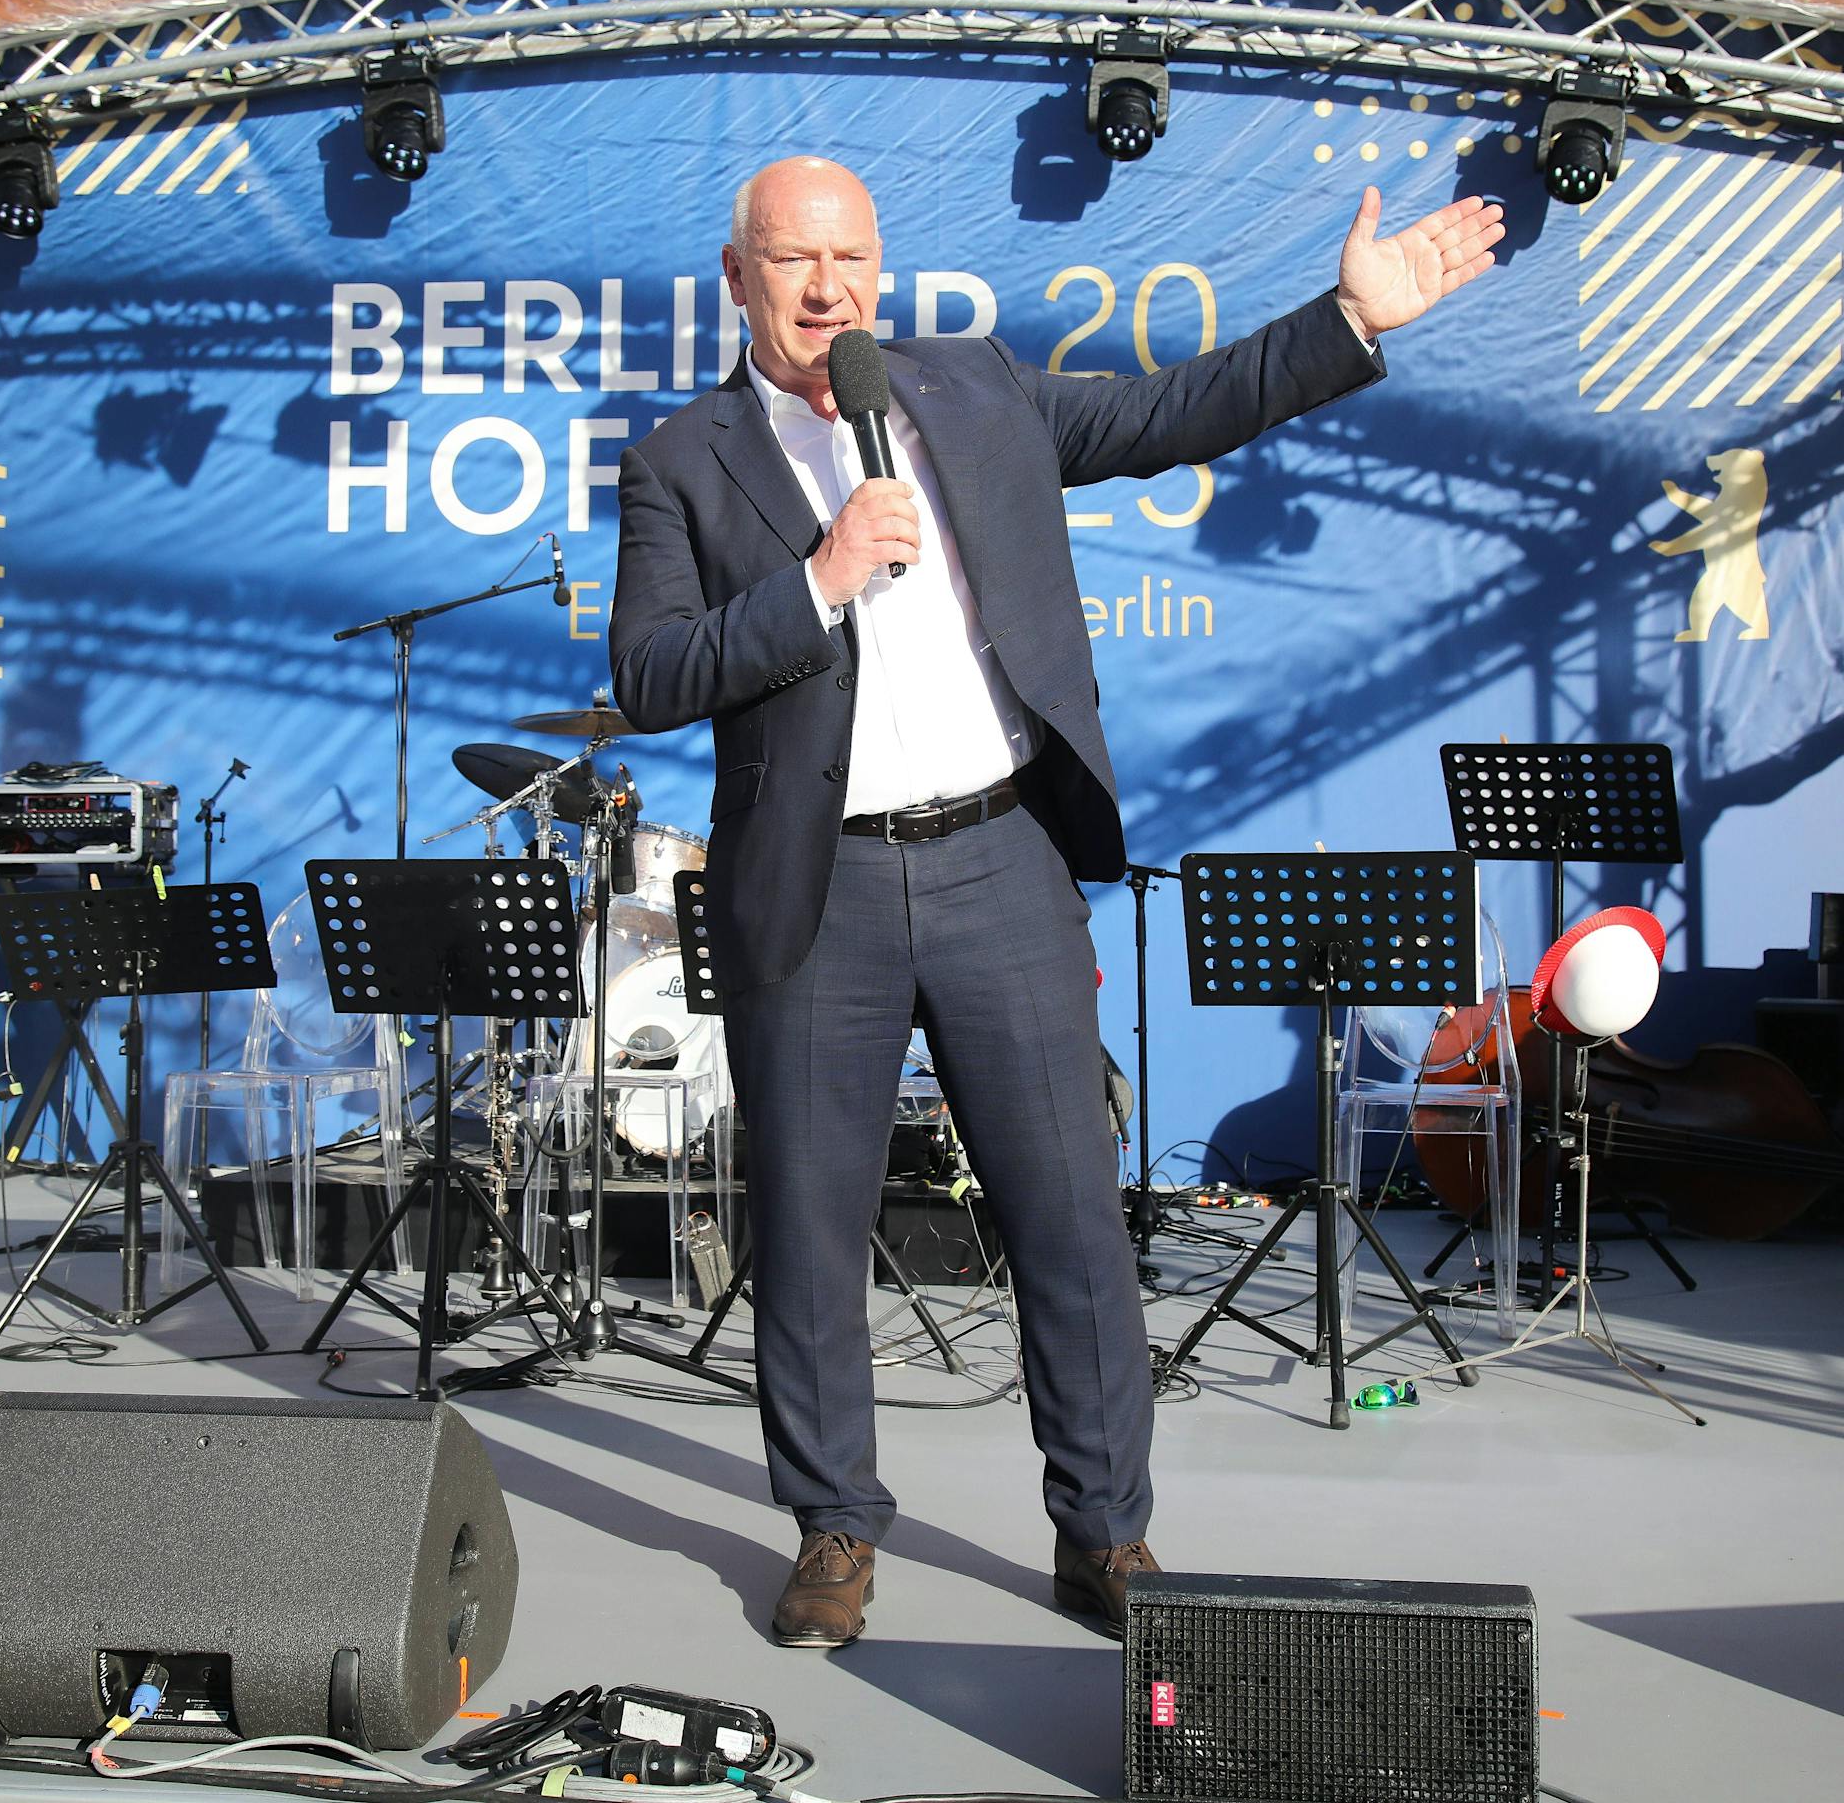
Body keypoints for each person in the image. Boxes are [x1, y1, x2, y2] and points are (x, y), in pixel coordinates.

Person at [610, 155, 1503, 1646]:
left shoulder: (972, 390)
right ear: (737, 274)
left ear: (879, 267)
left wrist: (1349, 319)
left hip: (996, 864)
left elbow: (1170, 414)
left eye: (849, 259)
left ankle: (1104, 1531)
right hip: (811, 888)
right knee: (813, 1231)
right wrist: (818, 583)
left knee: (1073, 1223)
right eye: (790, 262)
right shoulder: (684, 460)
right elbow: (648, 674)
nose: (825, 289)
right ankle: (835, 1525)